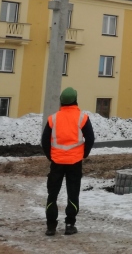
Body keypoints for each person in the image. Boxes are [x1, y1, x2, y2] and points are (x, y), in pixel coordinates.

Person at [41, 87, 95, 237]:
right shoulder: (82, 118)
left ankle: (51, 226)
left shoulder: (53, 118)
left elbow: (45, 141)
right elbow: (90, 138)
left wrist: (51, 156)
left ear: (61, 101)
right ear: (76, 100)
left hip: (57, 162)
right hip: (75, 162)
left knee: (52, 193)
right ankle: (70, 225)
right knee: (73, 193)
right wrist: (83, 154)